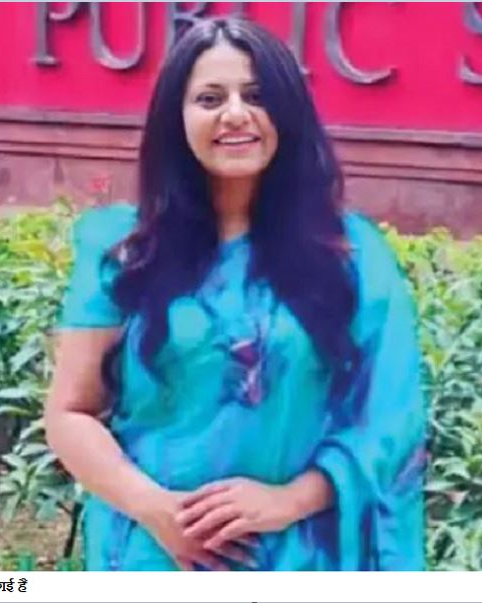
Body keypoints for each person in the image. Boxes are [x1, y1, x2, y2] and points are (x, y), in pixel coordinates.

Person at [44, 16, 426, 571]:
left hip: (302, 553)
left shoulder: (350, 255)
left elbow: (391, 416)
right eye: (209, 98)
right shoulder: (124, 250)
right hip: (156, 554)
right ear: (176, 118)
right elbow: (70, 412)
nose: (236, 113)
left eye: (256, 95)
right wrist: (158, 511)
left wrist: (289, 500)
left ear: (288, 112)